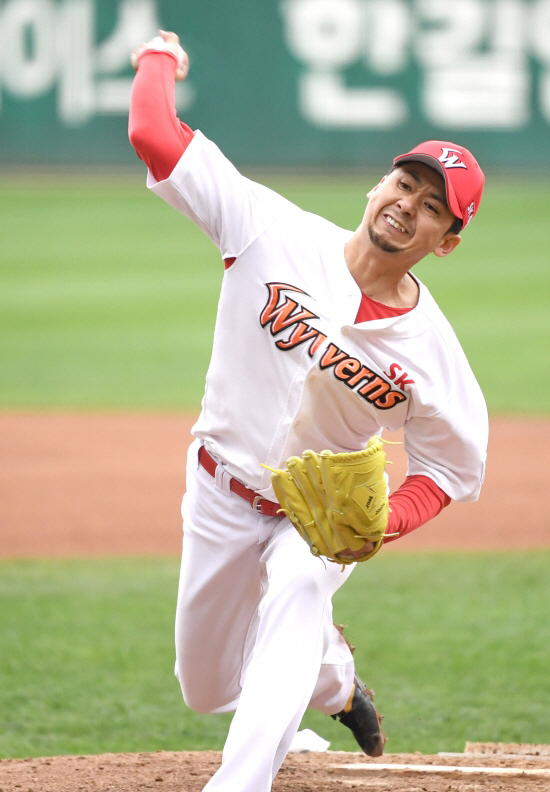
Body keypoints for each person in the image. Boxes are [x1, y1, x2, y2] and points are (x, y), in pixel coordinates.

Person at [129, 30, 488, 792]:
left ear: (447, 241)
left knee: (299, 582)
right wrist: (159, 55)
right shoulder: (270, 229)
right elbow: (154, 135)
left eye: (433, 208)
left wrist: (381, 523)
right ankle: (333, 676)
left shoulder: (431, 350)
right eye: (405, 185)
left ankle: (239, 783)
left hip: (317, 517)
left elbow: (452, 467)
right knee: (205, 687)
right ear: (378, 185)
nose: (408, 206)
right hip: (221, 489)